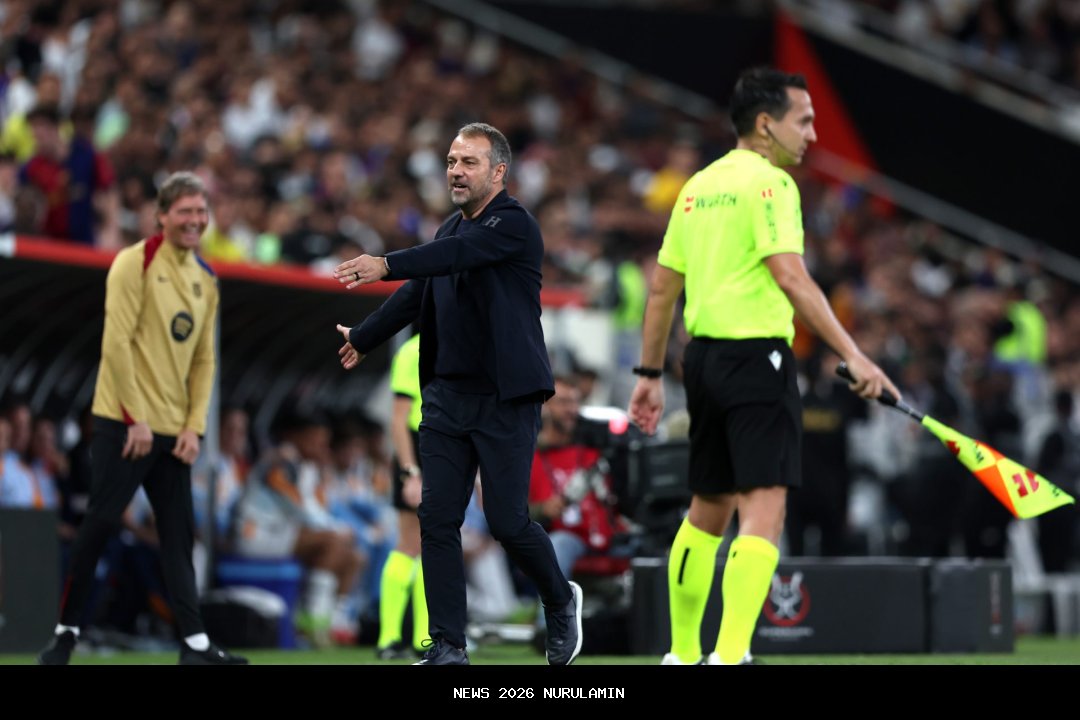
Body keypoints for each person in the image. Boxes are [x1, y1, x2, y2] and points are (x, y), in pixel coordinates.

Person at [627, 67, 900, 666]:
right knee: (764, 507)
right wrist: (854, 354)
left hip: (699, 363)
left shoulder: (696, 187)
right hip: (757, 359)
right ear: (765, 123)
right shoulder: (771, 185)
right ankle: (730, 657)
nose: (812, 134)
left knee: (706, 509)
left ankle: (681, 655)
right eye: (804, 120)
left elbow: (661, 292)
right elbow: (791, 275)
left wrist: (647, 377)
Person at [333, 122, 582, 666]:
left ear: (498, 171)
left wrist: (385, 262)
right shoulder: (450, 229)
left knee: (508, 522)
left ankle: (561, 601)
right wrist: (366, 336)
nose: (454, 171)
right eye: (450, 161)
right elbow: (417, 293)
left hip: (505, 399)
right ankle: (448, 645)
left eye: (468, 162)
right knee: (436, 519)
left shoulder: (514, 226)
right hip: (446, 398)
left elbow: (449, 259)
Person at [37, 171, 247, 665]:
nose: (196, 220)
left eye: (201, 211)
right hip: (125, 424)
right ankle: (65, 634)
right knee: (100, 525)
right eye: (185, 212)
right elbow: (116, 343)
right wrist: (134, 418)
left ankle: (194, 645)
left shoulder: (206, 278)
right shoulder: (134, 263)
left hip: (174, 432)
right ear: (161, 215)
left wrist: (195, 427)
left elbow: (203, 361)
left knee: (179, 535)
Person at [375, 331, 431, 659]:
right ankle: (390, 637)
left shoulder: (451, 345)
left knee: (432, 544)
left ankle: (423, 637)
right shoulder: (414, 351)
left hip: (438, 447)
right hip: (417, 449)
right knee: (411, 542)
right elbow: (398, 419)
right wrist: (410, 472)